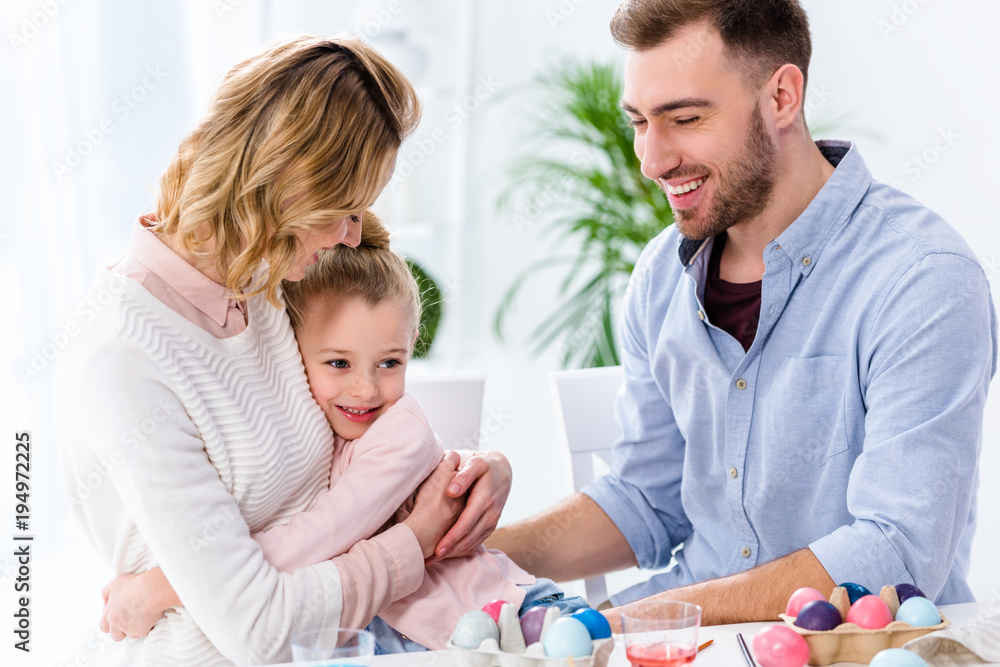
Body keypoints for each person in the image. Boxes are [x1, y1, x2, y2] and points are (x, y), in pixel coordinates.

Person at [487, 0, 997, 629]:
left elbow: (895, 550)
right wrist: (466, 553)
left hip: (854, 647)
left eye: (685, 118)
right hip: (683, 634)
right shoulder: (660, 277)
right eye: (641, 122)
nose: (652, 160)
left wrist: (638, 620)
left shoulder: (921, 277)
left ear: (782, 96)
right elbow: (647, 501)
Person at [56, 35, 514, 666]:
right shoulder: (124, 359)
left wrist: (476, 470)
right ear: (288, 182)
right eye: (344, 210)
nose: (353, 234)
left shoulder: (271, 283)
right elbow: (259, 631)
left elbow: (355, 443)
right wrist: (414, 542)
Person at [98, 213, 588, 652]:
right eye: (338, 362)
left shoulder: (403, 435)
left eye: (390, 363)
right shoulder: (306, 428)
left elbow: (317, 539)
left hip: (510, 619)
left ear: (411, 346)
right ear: (292, 349)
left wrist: (160, 588)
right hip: (422, 639)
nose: (365, 388)